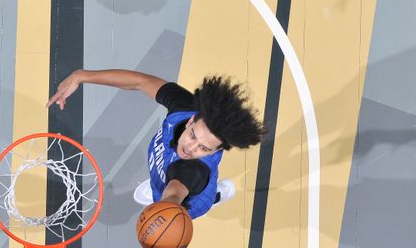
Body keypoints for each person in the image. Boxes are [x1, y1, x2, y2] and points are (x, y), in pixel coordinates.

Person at [47, 69, 266, 219]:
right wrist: (80, 75)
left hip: (187, 202)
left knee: (169, 196)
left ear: (217, 150)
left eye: (204, 149)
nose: (191, 148)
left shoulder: (193, 169)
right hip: (170, 173)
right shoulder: (184, 106)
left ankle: (217, 194)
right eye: (193, 136)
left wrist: (161, 213)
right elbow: (140, 82)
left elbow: (173, 194)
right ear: (191, 120)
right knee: (160, 184)